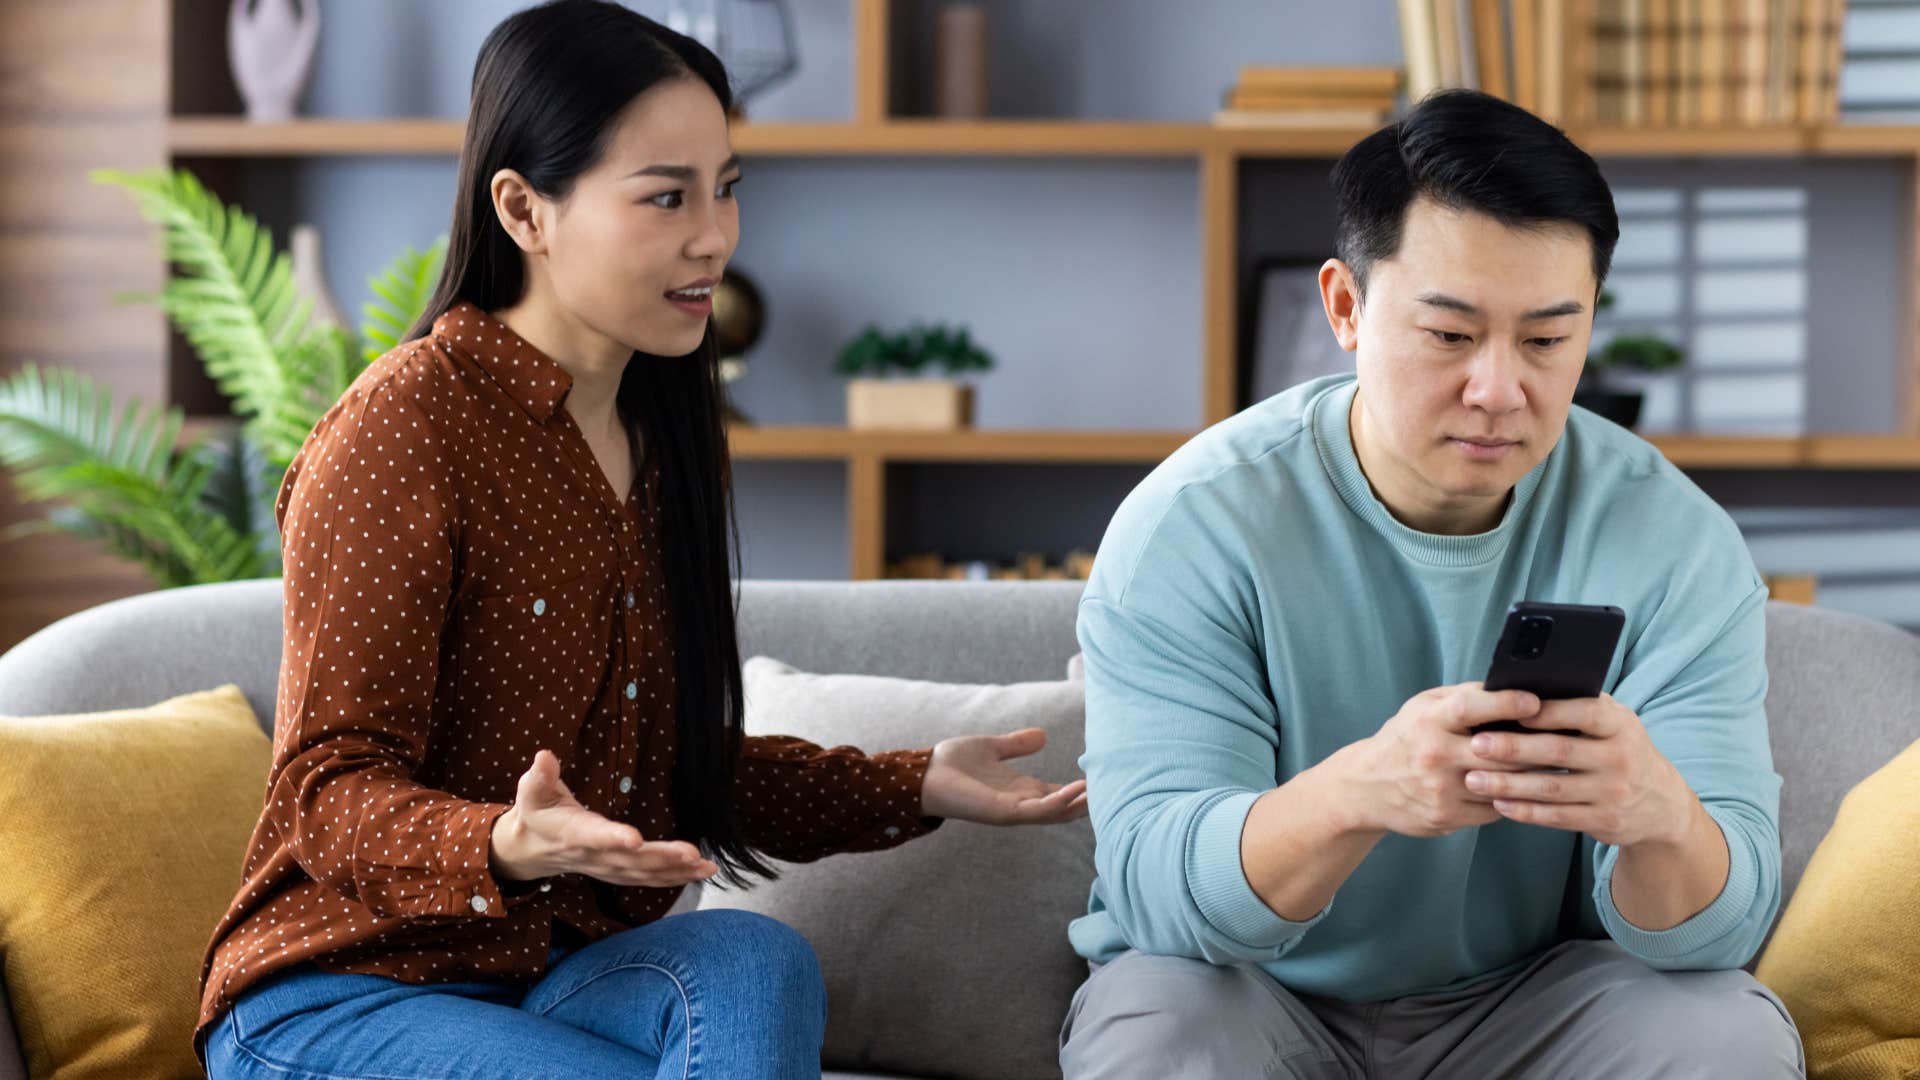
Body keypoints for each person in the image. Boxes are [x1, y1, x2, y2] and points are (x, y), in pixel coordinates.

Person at [192, 3, 1087, 1076]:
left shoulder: (663, 438)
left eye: (726, 188)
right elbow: (325, 792)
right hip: (341, 993)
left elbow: (678, 770)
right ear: (524, 210)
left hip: (550, 982)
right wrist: (501, 843)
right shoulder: (404, 430)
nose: (714, 235)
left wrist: (918, 781)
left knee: (756, 959)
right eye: (666, 196)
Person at [1059, 89, 1805, 1078]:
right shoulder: (1194, 525)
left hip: (1535, 1001)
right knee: (1161, 1027)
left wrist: (1659, 818)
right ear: (1345, 308)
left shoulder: (1675, 540)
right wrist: (1359, 794)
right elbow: (1158, 895)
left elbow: (1725, 930)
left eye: (1547, 341)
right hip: (1249, 991)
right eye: (1450, 336)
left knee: (1727, 1033)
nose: (1500, 390)